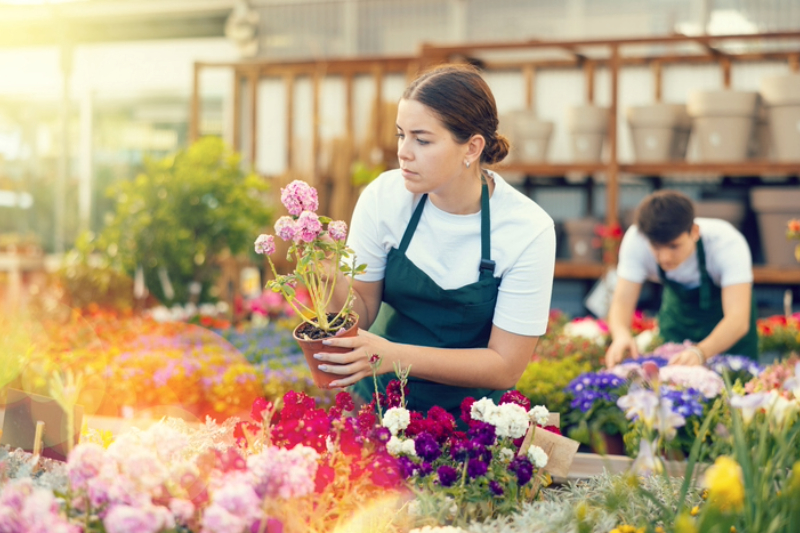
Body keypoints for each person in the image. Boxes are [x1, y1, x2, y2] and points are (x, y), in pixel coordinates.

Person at [313, 64, 556, 419]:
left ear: (471, 148)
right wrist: (325, 271)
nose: (404, 152)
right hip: (378, 407)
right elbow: (361, 310)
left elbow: (505, 366)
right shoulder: (383, 197)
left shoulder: (527, 229)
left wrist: (391, 356)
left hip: (470, 424)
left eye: (422, 140)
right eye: (401, 135)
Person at [605, 190, 758, 369]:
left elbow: (738, 319)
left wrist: (700, 352)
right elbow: (622, 301)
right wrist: (621, 335)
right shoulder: (636, 241)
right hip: (677, 326)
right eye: (656, 247)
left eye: (674, 246)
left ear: (694, 231)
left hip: (729, 334)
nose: (665, 257)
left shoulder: (726, 244)